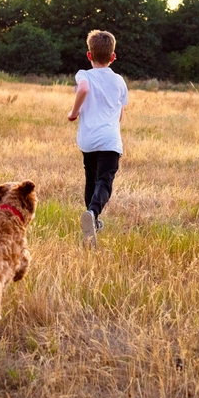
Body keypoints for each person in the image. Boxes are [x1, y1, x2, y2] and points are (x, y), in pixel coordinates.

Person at [67, 29, 128, 248]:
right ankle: (93, 213)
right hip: (110, 141)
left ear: (89, 55)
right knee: (104, 181)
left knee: (91, 179)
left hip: (88, 140)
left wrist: (73, 113)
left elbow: (82, 88)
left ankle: (92, 224)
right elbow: (119, 115)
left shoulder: (84, 74)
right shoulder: (119, 81)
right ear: (113, 57)